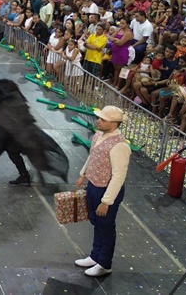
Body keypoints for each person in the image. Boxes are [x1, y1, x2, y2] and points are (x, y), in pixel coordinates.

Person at [0, 75, 69, 185]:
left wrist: (0, 132)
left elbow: (2, 124)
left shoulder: (0, 99)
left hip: (8, 126)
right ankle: (23, 176)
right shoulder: (3, 87)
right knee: (11, 150)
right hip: (13, 126)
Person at [74, 105, 131, 277]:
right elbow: (93, 155)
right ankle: (95, 255)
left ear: (113, 124)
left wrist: (106, 202)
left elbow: (118, 176)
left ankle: (105, 263)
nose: (98, 121)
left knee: (106, 227)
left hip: (106, 190)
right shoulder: (98, 135)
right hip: (93, 185)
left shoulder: (120, 146)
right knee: (96, 223)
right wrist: (83, 173)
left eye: (102, 119)